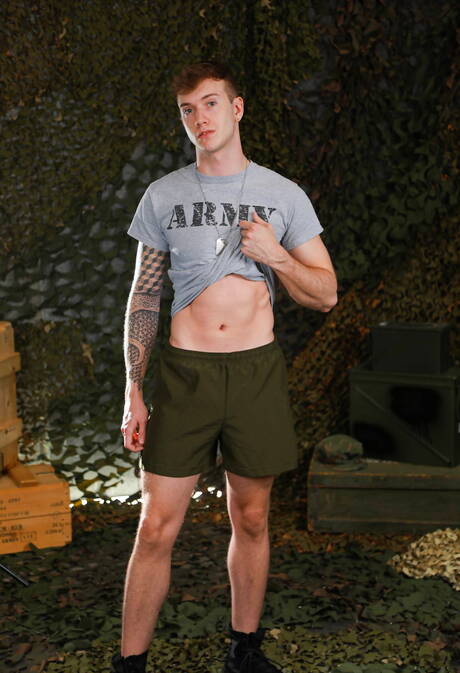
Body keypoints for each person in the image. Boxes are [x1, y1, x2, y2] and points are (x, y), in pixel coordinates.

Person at [113, 61, 337, 673]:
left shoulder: (283, 195)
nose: (200, 118)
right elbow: (143, 297)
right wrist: (133, 388)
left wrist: (276, 256)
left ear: (237, 109)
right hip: (185, 375)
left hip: (255, 373)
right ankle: (130, 664)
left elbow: (325, 294)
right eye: (188, 110)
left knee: (253, 517)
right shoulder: (163, 195)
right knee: (156, 526)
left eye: (210, 104)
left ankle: (244, 650)